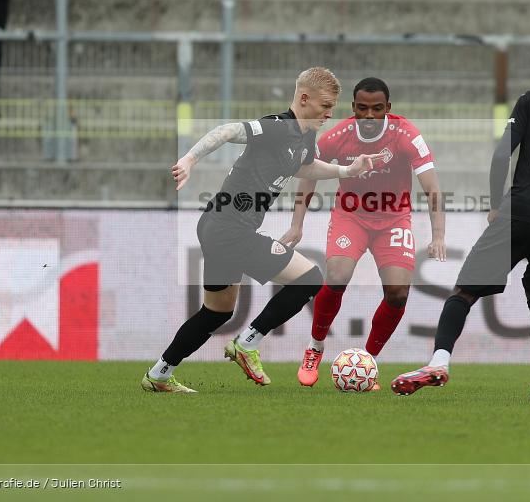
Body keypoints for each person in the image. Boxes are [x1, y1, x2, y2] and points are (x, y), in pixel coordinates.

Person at [391, 44, 530, 401]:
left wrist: (497, 204)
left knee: (465, 291)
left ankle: (439, 361)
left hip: (521, 210)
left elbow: (502, 153)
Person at [142, 67, 383, 393]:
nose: (329, 113)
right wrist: (189, 159)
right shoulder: (277, 127)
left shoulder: (305, 135)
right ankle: (247, 343)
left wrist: (347, 169)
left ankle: (158, 374)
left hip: (218, 228)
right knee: (310, 278)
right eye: (325, 105)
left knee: (216, 313)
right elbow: (228, 131)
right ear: (303, 98)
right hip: (230, 230)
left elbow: (305, 166)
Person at [279, 77, 446, 389]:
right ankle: (315, 348)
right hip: (351, 216)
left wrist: (438, 235)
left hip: (394, 219)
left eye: (377, 109)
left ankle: (366, 364)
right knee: (337, 275)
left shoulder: (406, 134)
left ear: (388, 108)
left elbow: (432, 187)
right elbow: (308, 175)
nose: (369, 115)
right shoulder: (337, 137)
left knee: (398, 294)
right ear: (353, 108)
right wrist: (296, 224)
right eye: (363, 108)